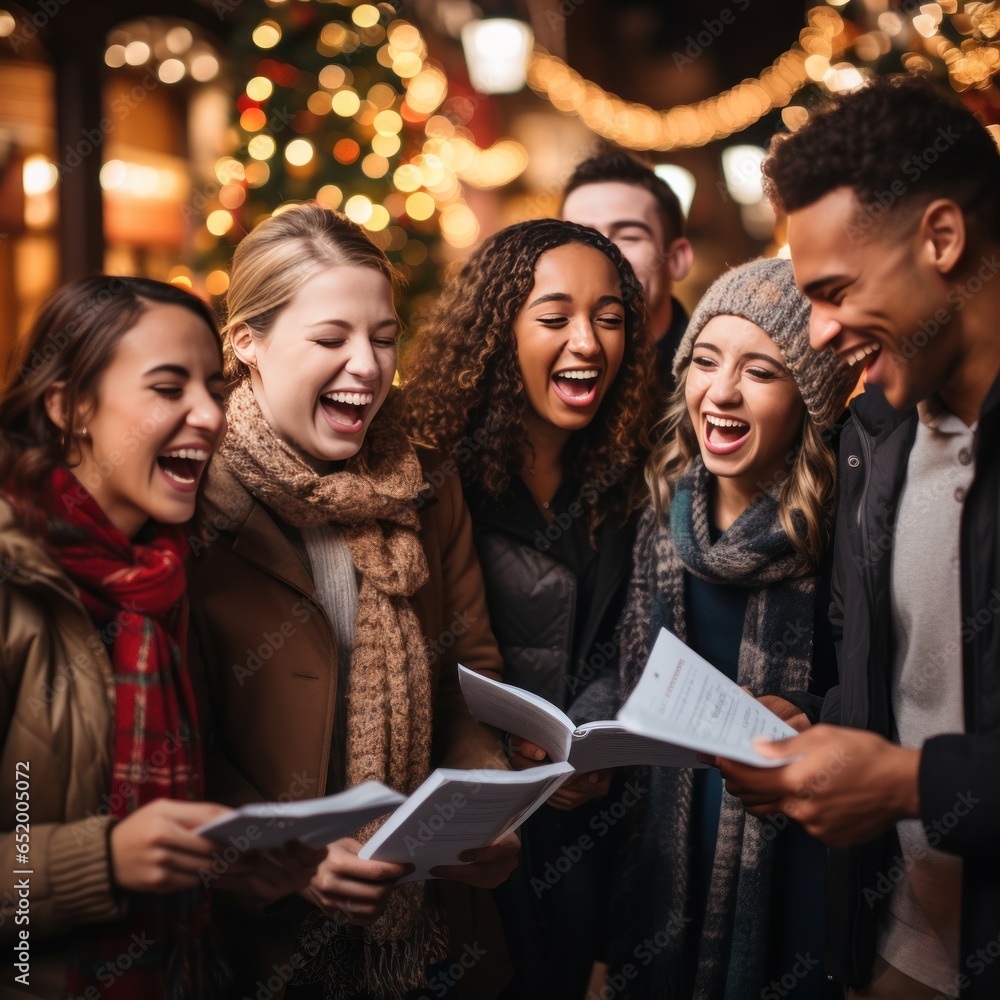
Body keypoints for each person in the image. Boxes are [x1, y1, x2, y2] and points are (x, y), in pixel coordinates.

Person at [186, 204, 519, 1000]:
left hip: (423, 927)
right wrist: (291, 857)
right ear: (248, 346)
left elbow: (463, 682)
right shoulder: (192, 495)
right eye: (331, 339)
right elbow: (180, 738)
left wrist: (487, 812)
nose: (367, 367)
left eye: (383, 336)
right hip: (251, 940)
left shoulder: (427, 482)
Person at [719, 75, 1000, 1000]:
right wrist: (820, 733)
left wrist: (912, 783)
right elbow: (906, 674)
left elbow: (919, 765)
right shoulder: (873, 442)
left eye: (837, 291)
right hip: (899, 948)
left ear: (943, 238)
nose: (821, 330)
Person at [0, 276, 314, 998]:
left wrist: (223, 861)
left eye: (213, 386)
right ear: (69, 407)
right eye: (169, 389)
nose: (211, 415)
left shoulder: (167, 576)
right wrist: (104, 858)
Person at [399, 218, 661, 999]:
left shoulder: (631, 471)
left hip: (585, 819)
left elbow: (632, 635)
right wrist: (501, 749)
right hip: (466, 819)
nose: (587, 341)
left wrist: (591, 739)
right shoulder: (432, 473)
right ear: (495, 333)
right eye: (554, 318)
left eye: (609, 319)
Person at [607, 257, 856, 998]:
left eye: (762, 371)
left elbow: (871, 693)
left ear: (808, 399)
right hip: (667, 841)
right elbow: (626, 670)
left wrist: (810, 717)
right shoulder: (663, 509)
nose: (720, 391)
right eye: (706, 361)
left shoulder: (837, 529)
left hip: (788, 850)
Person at [561, 150, 694, 390]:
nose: (604, 252)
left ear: (677, 259)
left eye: (629, 236)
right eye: (581, 237)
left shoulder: (710, 381)